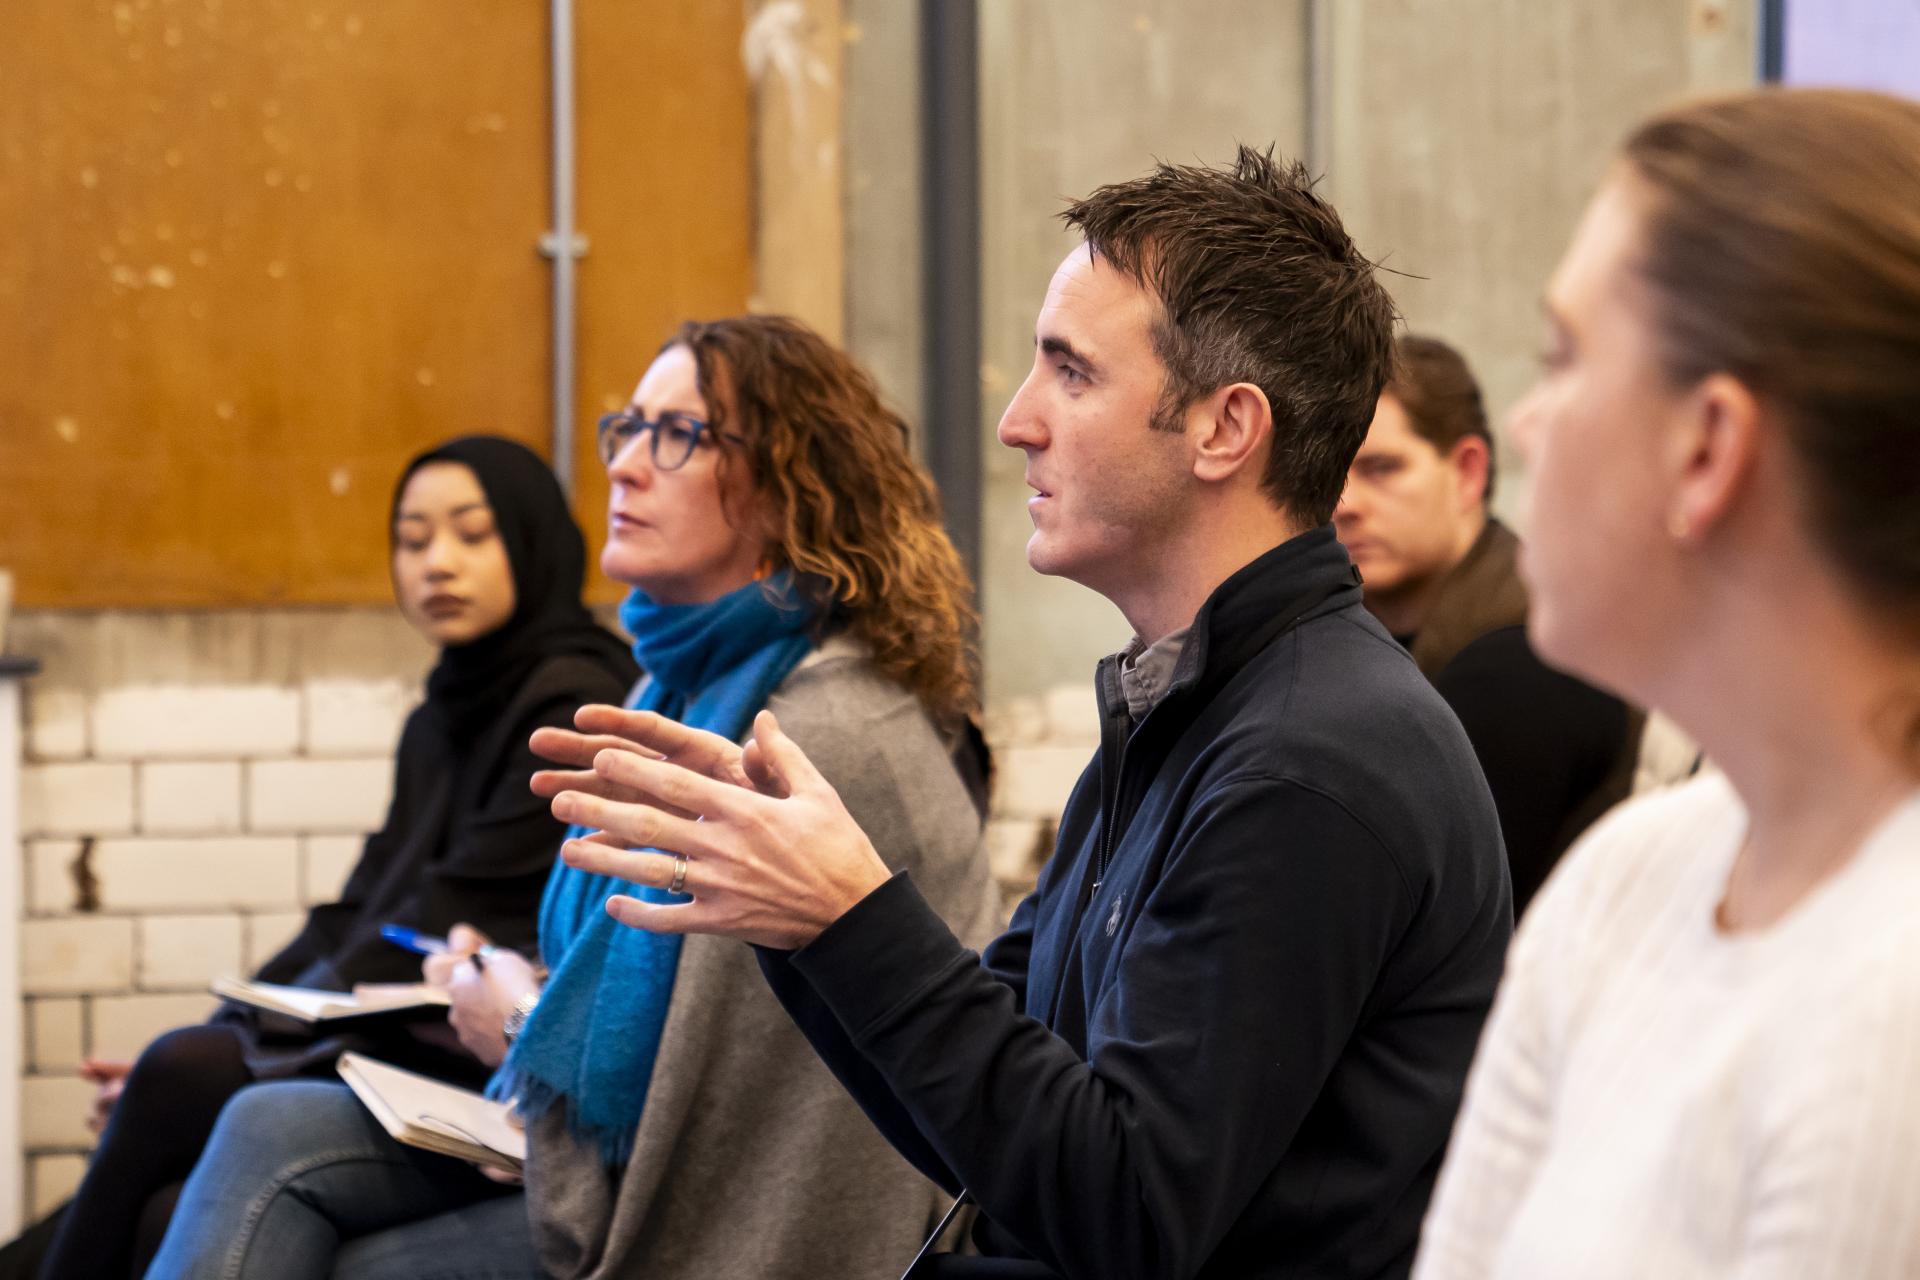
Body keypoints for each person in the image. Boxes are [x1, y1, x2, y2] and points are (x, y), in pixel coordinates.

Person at [546, 148, 1512, 1279]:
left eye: (1072, 372)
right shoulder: (1185, 701)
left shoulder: (1307, 759)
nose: (1016, 421)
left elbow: (1126, 1210)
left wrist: (851, 916)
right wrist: (799, 914)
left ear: (1222, 428)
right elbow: (991, 1124)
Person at [146, 316, 1001, 1280]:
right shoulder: (673, 683)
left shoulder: (810, 734)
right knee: (259, 1122)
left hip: (755, 1218)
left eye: (679, 436)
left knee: (345, 1255)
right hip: (624, 1150)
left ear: (792, 487)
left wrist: (516, 1023)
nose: (627, 466)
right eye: (627, 428)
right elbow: (661, 1011)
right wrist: (506, 985)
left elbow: (739, 1121)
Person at [1413, 88, 1920, 1278]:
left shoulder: (1891, 1000)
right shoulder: (1624, 881)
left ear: (1708, 448)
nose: (1530, 419)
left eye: (1565, 356)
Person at [29, 436, 637, 1280]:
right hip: (400, 1035)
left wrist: (233, 1046)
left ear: (533, 543)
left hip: (481, 1051)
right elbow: (360, 910)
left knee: (177, 1078)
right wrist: (233, 1029)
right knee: (165, 1166)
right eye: (414, 540)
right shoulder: (447, 707)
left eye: (471, 533)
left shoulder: (572, 701)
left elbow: (440, 917)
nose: (439, 565)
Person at [1335, 334, 1639, 912]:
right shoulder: (1341, 647)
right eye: (1332, 473)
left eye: (1381, 468)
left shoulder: (1529, 657)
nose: (1345, 503)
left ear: (1467, 472)